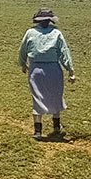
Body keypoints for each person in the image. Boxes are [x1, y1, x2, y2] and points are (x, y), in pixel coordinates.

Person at [18, 8, 75, 140]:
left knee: (37, 98)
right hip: (54, 69)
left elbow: (23, 49)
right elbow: (64, 53)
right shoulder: (56, 33)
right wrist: (70, 70)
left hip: (35, 69)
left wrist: (22, 64)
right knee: (56, 96)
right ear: (50, 21)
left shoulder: (30, 33)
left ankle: (38, 131)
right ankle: (56, 127)